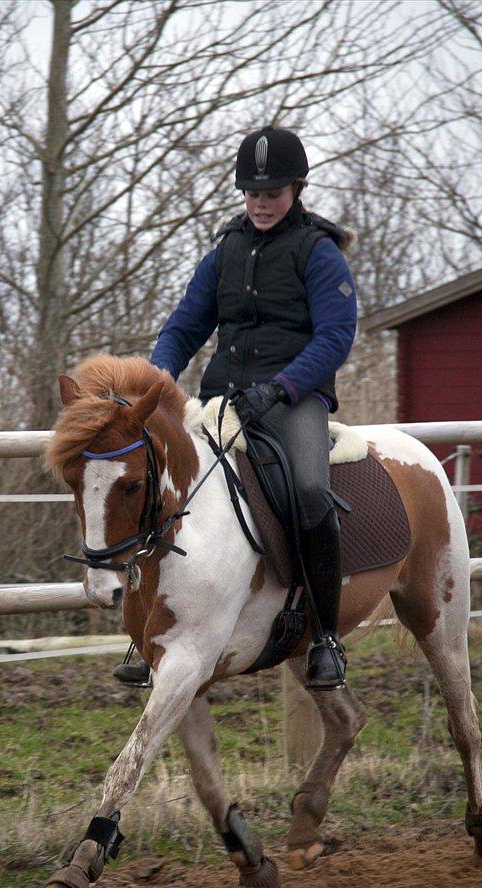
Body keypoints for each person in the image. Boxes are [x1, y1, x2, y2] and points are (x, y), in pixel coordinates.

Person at [113, 125, 357, 690]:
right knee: (161, 480)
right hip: (223, 396)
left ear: (295, 189)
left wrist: (281, 387)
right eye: (252, 193)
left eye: (271, 193)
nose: (261, 203)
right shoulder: (225, 251)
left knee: (310, 491)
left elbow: (335, 337)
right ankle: (146, 630)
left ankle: (324, 638)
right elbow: (184, 326)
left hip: (293, 399)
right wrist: (156, 378)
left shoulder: (319, 253)